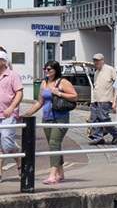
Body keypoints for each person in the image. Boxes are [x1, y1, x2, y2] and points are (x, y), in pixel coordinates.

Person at [27, 61, 77, 185]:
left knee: (54, 144)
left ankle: (52, 175)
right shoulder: (44, 83)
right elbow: (40, 102)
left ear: (56, 70)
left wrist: (58, 92)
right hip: (47, 118)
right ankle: (61, 173)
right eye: (45, 69)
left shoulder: (63, 82)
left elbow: (75, 96)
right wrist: (26, 114)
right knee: (53, 145)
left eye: (49, 69)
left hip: (60, 118)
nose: (47, 71)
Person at [0, 50, 23, 183]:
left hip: (8, 114)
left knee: (7, 144)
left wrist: (11, 107)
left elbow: (19, 94)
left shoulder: (13, 75)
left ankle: (17, 151)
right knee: (2, 145)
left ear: (3, 62)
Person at [87, 54, 117, 144]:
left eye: (98, 60)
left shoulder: (110, 69)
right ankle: (98, 137)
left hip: (106, 99)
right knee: (94, 119)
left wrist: (115, 100)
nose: (96, 62)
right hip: (95, 99)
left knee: (103, 118)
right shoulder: (96, 72)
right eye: (95, 61)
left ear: (103, 60)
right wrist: (92, 100)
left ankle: (116, 133)